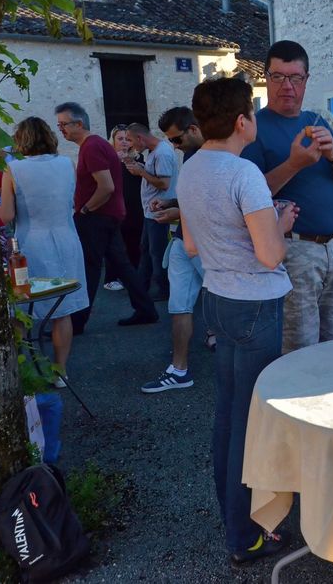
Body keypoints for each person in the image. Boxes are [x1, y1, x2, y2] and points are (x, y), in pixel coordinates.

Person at [178, 77, 295, 564]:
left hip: (217, 297)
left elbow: (190, 245)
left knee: (228, 415)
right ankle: (244, 534)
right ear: (242, 121)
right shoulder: (244, 173)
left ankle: (233, 518)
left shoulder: (190, 169)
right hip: (255, 304)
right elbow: (270, 255)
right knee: (252, 422)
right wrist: (281, 224)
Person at [240, 40, 333, 352]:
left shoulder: (316, 122)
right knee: (300, 346)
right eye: (278, 76)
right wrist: (294, 164)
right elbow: (249, 197)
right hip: (292, 248)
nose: (287, 86)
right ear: (266, 78)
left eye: (295, 77)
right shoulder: (254, 129)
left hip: (330, 248)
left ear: (306, 80)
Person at [55, 102, 158, 332]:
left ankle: (77, 322)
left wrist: (85, 210)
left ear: (79, 124)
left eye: (63, 124)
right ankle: (146, 310)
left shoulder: (92, 146)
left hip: (97, 216)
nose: (60, 129)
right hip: (105, 215)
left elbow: (106, 187)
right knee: (122, 265)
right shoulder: (94, 145)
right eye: (59, 125)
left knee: (90, 267)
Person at [0, 117, 89, 378]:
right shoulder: (66, 164)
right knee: (62, 309)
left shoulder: (13, 169)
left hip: (31, 243)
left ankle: (23, 370)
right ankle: (60, 371)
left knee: (21, 308)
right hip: (66, 238)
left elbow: (6, 215)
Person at [140, 107, 209, 393]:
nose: (174, 146)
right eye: (170, 141)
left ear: (193, 129)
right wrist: (170, 204)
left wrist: (176, 212)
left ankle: (241, 371)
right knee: (179, 306)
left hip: (206, 244)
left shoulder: (214, 157)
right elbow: (191, 200)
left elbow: (213, 205)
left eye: (176, 139)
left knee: (224, 302)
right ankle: (178, 369)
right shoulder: (191, 155)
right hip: (183, 240)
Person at [125, 122, 178, 301]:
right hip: (151, 211)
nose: (130, 145)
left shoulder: (162, 153)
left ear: (140, 138)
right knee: (147, 249)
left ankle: (163, 290)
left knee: (157, 252)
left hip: (159, 211)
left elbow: (164, 184)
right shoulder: (154, 151)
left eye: (130, 140)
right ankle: (143, 287)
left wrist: (141, 172)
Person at [103, 124, 144, 291]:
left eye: (127, 139)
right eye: (120, 139)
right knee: (115, 243)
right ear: (113, 141)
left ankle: (133, 275)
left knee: (135, 240)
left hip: (135, 206)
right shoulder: (107, 159)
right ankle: (111, 277)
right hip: (115, 206)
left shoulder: (139, 158)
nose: (124, 142)